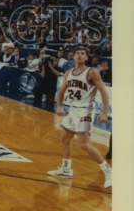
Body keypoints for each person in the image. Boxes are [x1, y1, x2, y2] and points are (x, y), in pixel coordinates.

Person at [48, 46, 111, 187]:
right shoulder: (68, 72)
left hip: (85, 111)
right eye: (77, 53)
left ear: (86, 57)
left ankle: (108, 171)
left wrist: (104, 112)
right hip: (73, 110)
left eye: (83, 53)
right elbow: (61, 91)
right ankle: (66, 169)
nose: (80, 55)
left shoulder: (92, 72)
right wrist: (59, 106)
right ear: (73, 56)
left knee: (84, 144)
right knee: (64, 139)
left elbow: (104, 92)